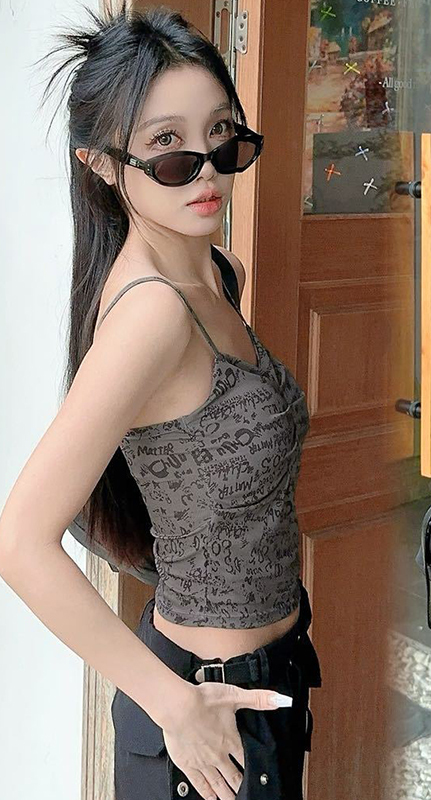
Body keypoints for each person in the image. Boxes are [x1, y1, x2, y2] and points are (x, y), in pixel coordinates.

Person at [0, 4, 320, 800]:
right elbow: (21, 542)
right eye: (168, 147)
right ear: (104, 166)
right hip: (206, 721)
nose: (206, 169)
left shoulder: (217, 272)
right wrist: (173, 705)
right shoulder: (151, 315)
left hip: (271, 684)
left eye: (221, 135)